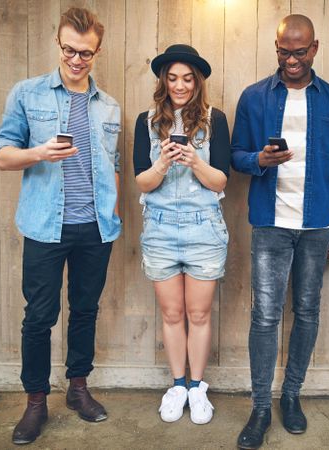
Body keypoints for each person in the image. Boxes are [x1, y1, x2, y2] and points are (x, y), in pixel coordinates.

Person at [0, 7, 121, 445]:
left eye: (85, 52)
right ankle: (35, 403)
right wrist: (39, 153)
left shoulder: (109, 106)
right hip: (45, 227)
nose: (76, 59)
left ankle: (78, 389)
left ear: (97, 52)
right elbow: (2, 155)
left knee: (85, 311)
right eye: (69, 49)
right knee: (39, 317)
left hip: (96, 229)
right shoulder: (27, 94)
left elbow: (114, 166)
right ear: (58, 44)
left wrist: (113, 211)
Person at [231, 14, 329, 450]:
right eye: (284, 51)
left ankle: (291, 396)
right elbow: (236, 154)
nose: (292, 60)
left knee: (308, 311)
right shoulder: (254, 97)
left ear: (314, 48)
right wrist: (257, 161)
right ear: (276, 47)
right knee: (264, 316)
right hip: (271, 223)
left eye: (300, 52)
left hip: (319, 224)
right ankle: (261, 407)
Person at [133, 44, 230, 426]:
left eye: (187, 78)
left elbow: (222, 179)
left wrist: (194, 161)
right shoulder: (147, 121)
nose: (180, 85)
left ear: (197, 81)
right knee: (172, 313)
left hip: (204, 228)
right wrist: (160, 163)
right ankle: (176, 384)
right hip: (159, 229)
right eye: (172, 78)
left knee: (199, 313)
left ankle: (197, 387)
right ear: (163, 81)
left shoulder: (215, 119)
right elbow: (142, 182)